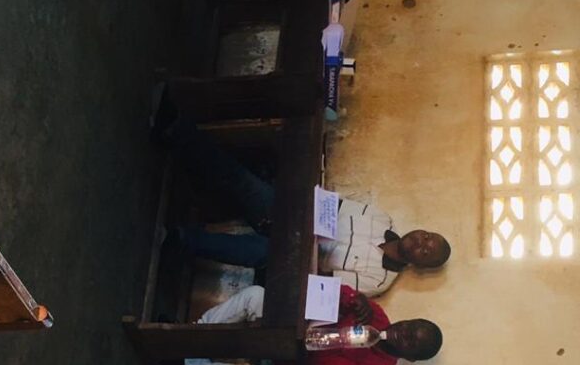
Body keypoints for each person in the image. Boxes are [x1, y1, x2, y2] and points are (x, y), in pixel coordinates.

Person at [152, 93, 451, 295]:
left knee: (259, 252)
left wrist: (308, 246)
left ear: (419, 266)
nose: (421, 242)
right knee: (246, 183)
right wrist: (305, 212)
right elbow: (331, 206)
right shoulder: (380, 218)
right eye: (427, 236)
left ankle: (177, 239)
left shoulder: (381, 280)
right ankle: (176, 129)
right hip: (292, 215)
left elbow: (324, 280)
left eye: (426, 251)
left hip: (295, 256)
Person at [184, 282, 443, 365]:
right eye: (410, 326)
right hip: (288, 336)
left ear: (411, 358)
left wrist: (327, 335)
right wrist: (353, 299)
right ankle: (192, 334)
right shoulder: (375, 315)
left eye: (411, 342)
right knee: (255, 295)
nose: (403, 333)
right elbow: (325, 292)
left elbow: (317, 358)